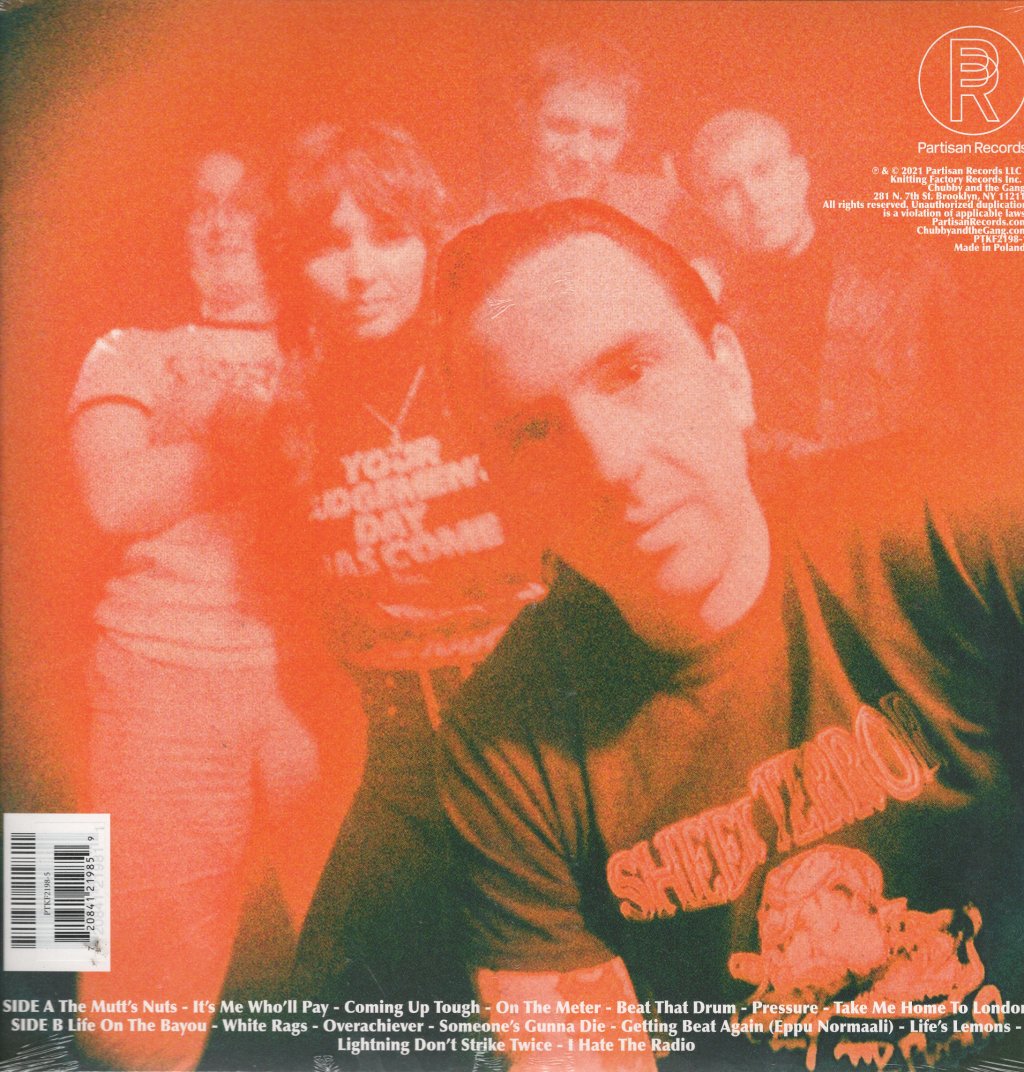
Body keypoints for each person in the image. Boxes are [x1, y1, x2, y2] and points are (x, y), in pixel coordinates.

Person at [433, 199, 1024, 1071]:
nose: (609, 464)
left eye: (629, 372)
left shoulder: (957, 526)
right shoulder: (505, 745)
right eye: (534, 429)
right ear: (503, 487)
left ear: (731, 374)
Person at [258, 122, 543, 1068]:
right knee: (393, 1025)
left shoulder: (492, 361)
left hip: (535, 716)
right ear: (293, 265)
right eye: (327, 245)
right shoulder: (290, 404)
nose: (360, 272)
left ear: (430, 238)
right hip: (383, 751)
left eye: (387, 235)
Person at [69, 149, 333, 1071]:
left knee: (371, 976)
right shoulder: (129, 348)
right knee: (127, 1013)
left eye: (244, 204)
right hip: (159, 676)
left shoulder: (332, 340)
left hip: (322, 683)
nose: (220, 225)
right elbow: (115, 497)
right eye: (201, 206)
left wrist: (215, 435)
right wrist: (284, 443)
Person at [688, 110, 961, 456]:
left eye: (763, 171)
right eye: (727, 188)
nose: (753, 200)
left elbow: (968, 409)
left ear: (799, 175)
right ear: (709, 211)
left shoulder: (906, 273)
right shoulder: (713, 311)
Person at [481, 40, 682, 237]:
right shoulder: (484, 231)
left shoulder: (665, 212)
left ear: (627, 134)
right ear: (525, 119)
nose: (581, 155)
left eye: (604, 135)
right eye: (563, 127)